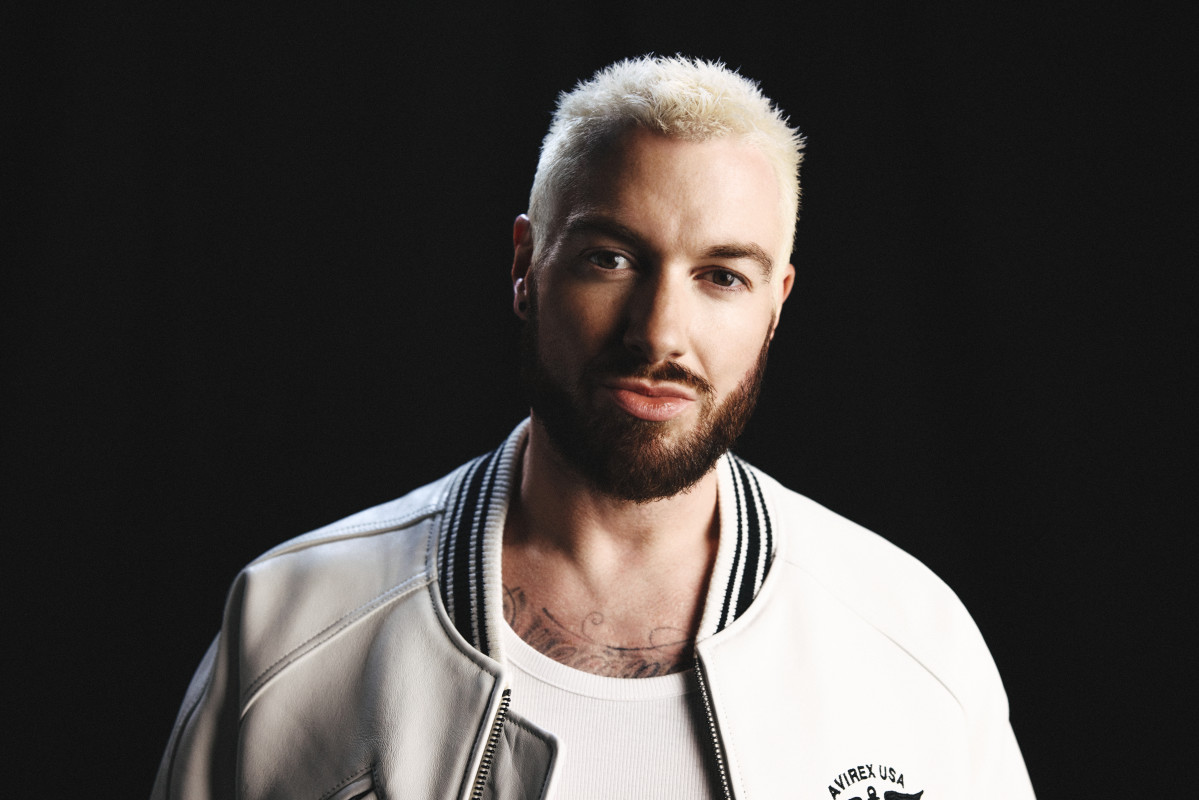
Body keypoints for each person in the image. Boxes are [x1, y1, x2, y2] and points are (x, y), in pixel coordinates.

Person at [152, 56, 1036, 800]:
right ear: (524, 267)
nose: (658, 333)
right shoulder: (293, 622)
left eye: (721, 276)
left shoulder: (911, 644)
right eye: (609, 258)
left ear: (776, 304)